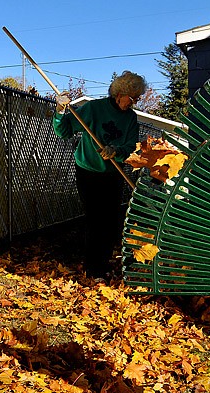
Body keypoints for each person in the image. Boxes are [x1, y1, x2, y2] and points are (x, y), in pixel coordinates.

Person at [52, 71, 146, 280]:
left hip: (113, 173)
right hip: (88, 170)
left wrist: (117, 151)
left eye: (137, 99)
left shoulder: (130, 118)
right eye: (132, 98)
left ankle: (103, 263)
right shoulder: (94, 108)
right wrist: (60, 110)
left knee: (110, 221)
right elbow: (64, 130)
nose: (134, 103)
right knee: (95, 219)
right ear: (120, 93)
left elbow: (131, 146)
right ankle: (93, 269)